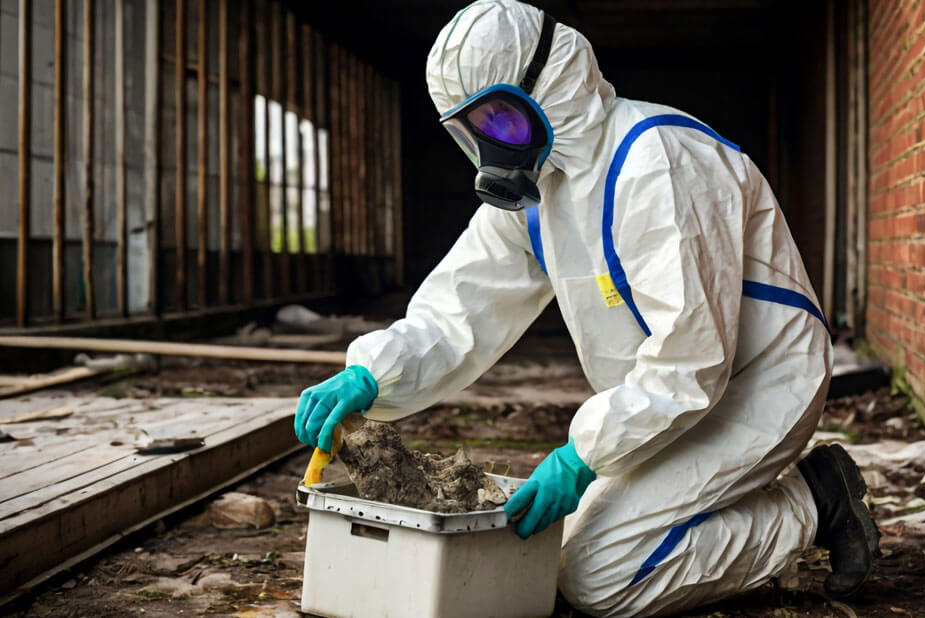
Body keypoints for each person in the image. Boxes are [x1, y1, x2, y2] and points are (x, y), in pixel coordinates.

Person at [294, 1, 879, 614]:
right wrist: (370, 375)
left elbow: (691, 359)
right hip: (666, 403)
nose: (493, 148)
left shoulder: (656, 160)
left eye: (502, 122)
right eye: (473, 132)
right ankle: (723, 500)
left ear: (552, 82)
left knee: (599, 575)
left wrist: (583, 457)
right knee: (556, 551)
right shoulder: (538, 196)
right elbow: (458, 311)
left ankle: (812, 504)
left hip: (756, 387)